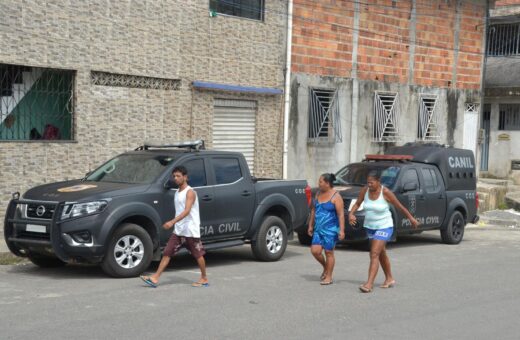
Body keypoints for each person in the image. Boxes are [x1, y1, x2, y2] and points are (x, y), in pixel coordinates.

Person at [349, 170, 419, 293]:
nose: (369, 185)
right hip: (370, 226)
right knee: (381, 253)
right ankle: (389, 278)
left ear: (378, 181)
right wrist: (351, 214)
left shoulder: (385, 192)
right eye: (367, 182)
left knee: (374, 253)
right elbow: (358, 203)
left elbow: (400, 206)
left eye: (371, 183)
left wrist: (411, 218)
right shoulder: (365, 190)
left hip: (385, 226)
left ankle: (369, 284)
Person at [140, 166, 208, 288]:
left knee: (198, 254)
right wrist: (176, 224)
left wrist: (172, 222)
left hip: (190, 230)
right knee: (167, 252)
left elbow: (187, 211)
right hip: (179, 230)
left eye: (178, 176)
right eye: (174, 176)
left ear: (185, 177)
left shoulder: (190, 192)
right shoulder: (177, 192)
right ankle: (155, 278)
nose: (175, 178)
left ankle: (204, 278)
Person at [307, 173, 345, 285]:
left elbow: (341, 215)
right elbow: (314, 211)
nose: (319, 184)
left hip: (331, 230)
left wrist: (341, 230)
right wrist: (310, 225)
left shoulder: (336, 196)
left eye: (321, 182)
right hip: (318, 229)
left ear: (328, 183)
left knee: (329, 252)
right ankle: (325, 267)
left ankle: (329, 277)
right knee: (315, 251)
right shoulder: (318, 194)